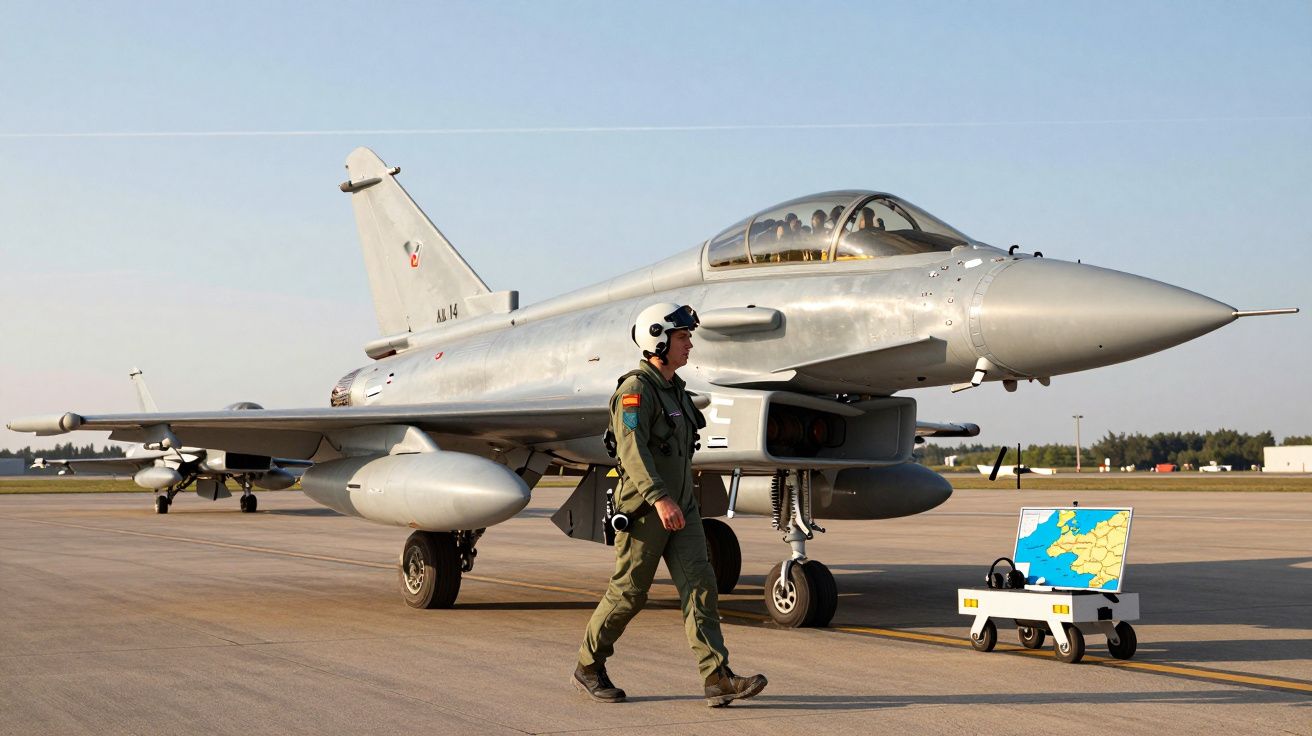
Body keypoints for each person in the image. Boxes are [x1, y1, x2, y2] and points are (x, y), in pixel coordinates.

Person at [574, 303, 768, 708]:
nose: (689, 344)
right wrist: (660, 498)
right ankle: (589, 666)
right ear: (658, 340)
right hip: (648, 511)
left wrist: (679, 499)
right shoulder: (635, 391)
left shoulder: (676, 389)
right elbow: (632, 453)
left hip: (682, 508)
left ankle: (716, 677)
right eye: (683, 337)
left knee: (701, 587)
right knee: (629, 592)